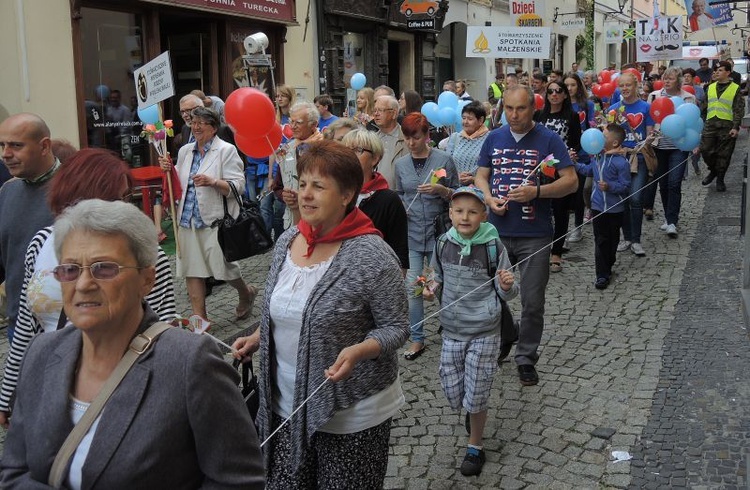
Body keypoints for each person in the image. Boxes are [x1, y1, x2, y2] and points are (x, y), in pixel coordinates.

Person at [0, 199, 265, 488]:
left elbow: (238, 482)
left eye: (104, 268)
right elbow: (14, 471)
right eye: (70, 270)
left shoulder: (189, 363)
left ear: (146, 280)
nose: (84, 283)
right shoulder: (42, 352)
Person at [231, 140, 409, 488]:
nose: (306, 194)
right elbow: (284, 306)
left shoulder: (372, 255)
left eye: (319, 186)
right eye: (302, 183)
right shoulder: (288, 240)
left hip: (349, 413)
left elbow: (396, 327)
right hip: (283, 404)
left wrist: (361, 350)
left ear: (346, 196)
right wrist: (258, 337)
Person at [0, 148, 176, 428]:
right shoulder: (44, 241)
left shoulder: (147, 255)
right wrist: (9, 392)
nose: (123, 207)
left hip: (121, 385)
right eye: (116, 198)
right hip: (51, 381)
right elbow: (26, 325)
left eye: (126, 198)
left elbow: (162, 330)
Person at [474, 85, 578, 386]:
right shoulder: (493, 137)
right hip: (495, 230)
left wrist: (536, 192)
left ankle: (525, 357)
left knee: (533, 301)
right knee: (490, 295)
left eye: (520, 109)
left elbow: (570, 182)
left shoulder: (549, 139)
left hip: (534, 233)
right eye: (508, 108)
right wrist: (488, 197)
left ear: (533, 108)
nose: (514, 115)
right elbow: (482, 173)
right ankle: (508, 333)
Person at [423, 186, 518, 476]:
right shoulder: (442, 243)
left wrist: (506, 286)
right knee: (454, 391)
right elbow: (436, 277)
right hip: (452, 329)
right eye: (459, 211)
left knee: (477, 394)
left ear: (483, 215)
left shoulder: (493, 247)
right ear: (450, 214)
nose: (465, 217)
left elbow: (509, 292)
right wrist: (429, 289)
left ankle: (475, 445)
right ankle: (470, 408)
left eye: (472, 211)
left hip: (485, 330)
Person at [158, 107, 257, 323]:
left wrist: (213, 182)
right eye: (193, 123)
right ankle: (200, 319)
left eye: (201, 123)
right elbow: (177, 181)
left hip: (215, 220)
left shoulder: (226, 150)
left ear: (213, 128)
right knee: (192, 269)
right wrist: (168, 169)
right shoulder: (185, 151)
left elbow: (238, 186)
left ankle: (246, 292)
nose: (196, 127)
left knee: (223, 268)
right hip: (187, 219)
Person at [395, 113, 458, 360]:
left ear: (427, 136)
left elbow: (458, 194)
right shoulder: (400, 164)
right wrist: (400, 208)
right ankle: (417, 338)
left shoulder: (443, 160)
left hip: (437, 232)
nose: (412, 143)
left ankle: (451, 329)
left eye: (416, 137)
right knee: (414, 288)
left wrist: (441, 190)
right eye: (408, 138)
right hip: (411, 233)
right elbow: (399, 194)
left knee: (436, 283)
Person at [0, 113, 60, 343]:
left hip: (64, 326)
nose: (6, 154)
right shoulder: (7, 192)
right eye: (2, 145)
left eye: (16, 145)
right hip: (18, 325)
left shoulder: (76, 189)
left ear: (44, 146)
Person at [342, 129, 409, 270]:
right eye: (345, 150)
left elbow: (399, 254)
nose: (349, 156)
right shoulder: (335, 195)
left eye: (357, 150)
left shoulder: (389, 200)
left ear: (375, 158)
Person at [575, 125, 631, 289]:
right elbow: (588, 171)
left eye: (604, 136)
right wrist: (574, 163)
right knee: (600, 241)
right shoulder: (597, 158)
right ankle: (602, 275)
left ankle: (609, 263)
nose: (599, 138)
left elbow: (626, 186)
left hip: (615, 209)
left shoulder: (622, 163)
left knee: (612, 241)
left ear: (614, 143)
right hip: (598, 207)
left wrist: (610, 187)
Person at [534, 80, 581, 273]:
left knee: (561, 211)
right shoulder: (539, 115)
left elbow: (576, 142)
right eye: (550, 91)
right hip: (541, 168)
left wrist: (571, 153)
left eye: (558, 91)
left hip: (561, 168)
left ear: (564, 94)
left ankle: (557, 252)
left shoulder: (572, 115)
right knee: (542, 209)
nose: (554, 94)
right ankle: (542, 248)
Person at [607, 72, 654, 257]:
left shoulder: (645, 107)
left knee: (635, 198)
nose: (625, 89)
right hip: (619, 160)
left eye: (628, 85)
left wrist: (647, 141)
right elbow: (609, 136)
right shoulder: (613, 109)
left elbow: (649, 132)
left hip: (638, 157)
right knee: (624, 199)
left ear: (636, 85)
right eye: (622, 85)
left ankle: (636, 240)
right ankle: (626, 237)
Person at [647, 67, 696, 237]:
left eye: (671, 78)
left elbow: (693, 122)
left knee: (675, 183)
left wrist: (695, 143)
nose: (667, 81)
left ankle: (672, 221)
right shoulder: (654, 96)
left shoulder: (688, 98)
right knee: (664, 183)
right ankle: (668, 218)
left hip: (679, 146)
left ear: (679, 80)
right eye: (664, 78)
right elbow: (650, 119)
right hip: (659, 145)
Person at [275, 102, 325, 230]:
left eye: (298, 122)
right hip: (291, 223)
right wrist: (284, 196)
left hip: (317, 222)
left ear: (313, 125)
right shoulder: (287, 148)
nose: (292, 126)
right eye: (291, 121)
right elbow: (278, 185)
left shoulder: (324, 148)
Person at [700, 60, 745, 192]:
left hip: (727, 126)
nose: (716, 72)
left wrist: (736, 127)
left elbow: (738, 109)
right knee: (705, 150)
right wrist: (702, 121)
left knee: (724, 154)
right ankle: (713, 170)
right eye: (715, 70)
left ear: (728, 72)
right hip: (710, 124)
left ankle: (720, 178)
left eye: (720, 70)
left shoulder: (735, 88)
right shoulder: (710, 87)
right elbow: (704, 106)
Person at [565, 73, 596, 241]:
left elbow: (592, 126)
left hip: (582, 154)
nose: (569, 88)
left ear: (579, 87)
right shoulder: (560, 105)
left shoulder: (587, 105)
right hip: (562, 153)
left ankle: (577, 227)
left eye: (573, 85)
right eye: (567, 85)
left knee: (579, 192)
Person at [445, 101, 490, 186]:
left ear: (480, 120)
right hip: (455, 189)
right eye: (464, 118)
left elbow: (493, 169)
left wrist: (474, 179)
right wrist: (457, 176)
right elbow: (446, 165)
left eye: (470, 119)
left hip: (480, 191)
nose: (465, 122)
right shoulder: (455, 137)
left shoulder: (490, 138)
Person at [374, 95, 408, 188]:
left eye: (381, 110)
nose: (376, 114)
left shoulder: (407, 139)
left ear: (394, 113)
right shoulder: (372, 140)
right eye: (375, 110)